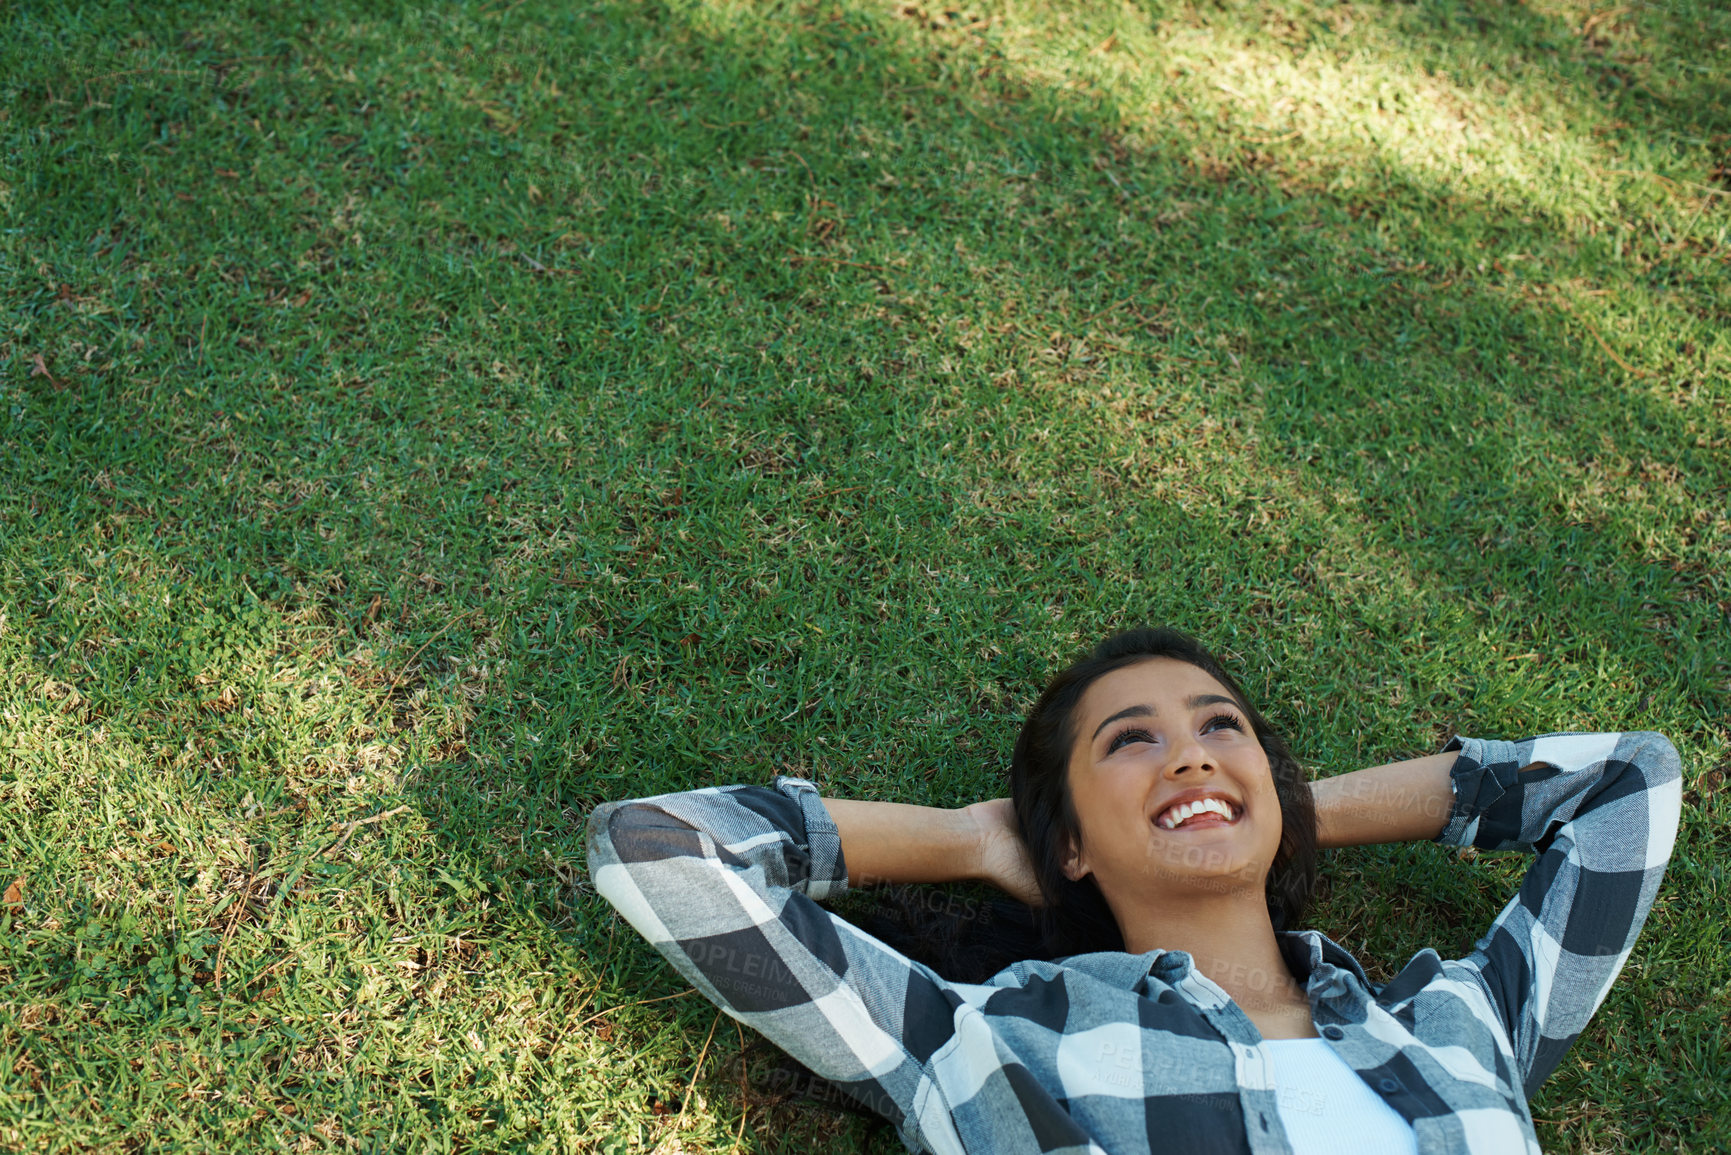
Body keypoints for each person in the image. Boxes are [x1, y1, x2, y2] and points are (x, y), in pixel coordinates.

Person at [587, 627, 1681, 1154]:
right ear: (1064, 843)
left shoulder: (1464, 1021)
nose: (1193, 757)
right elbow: (661, 851)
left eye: (1221, 730)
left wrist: (1292, 808)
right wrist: (973, 837)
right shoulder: (981, 1044)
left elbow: (1629, 782)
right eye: (1132, 742)